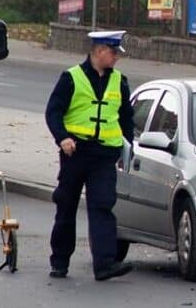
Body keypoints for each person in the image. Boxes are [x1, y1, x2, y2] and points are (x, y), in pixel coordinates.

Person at [45, 30, 134, 281]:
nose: (117, 57)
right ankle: (60, 261)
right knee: (66, 206)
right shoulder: (71, 78)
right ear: (99, 51)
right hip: (76, 152)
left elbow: (126, 119)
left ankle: (105, 264)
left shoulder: (120, 81)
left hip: (105, 155)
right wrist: (62, 137)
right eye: (114, 52)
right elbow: (53, 112)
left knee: (103, 206)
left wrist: (126, 148)